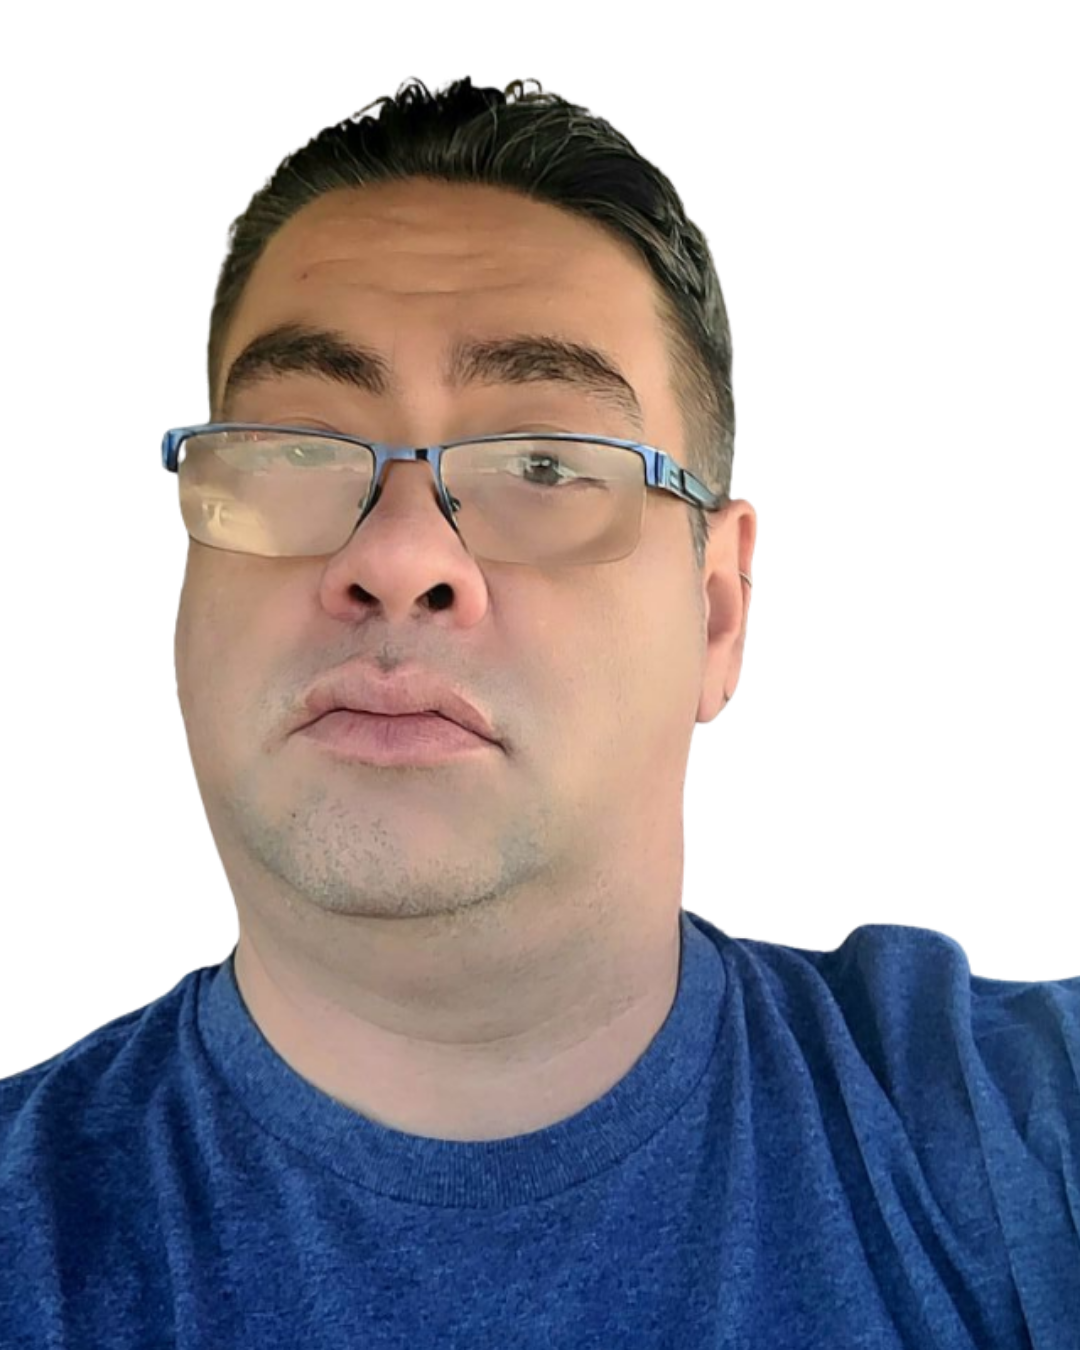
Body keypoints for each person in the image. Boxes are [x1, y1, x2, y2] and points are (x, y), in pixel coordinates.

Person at [2, 77, 1076, 1350]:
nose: (398, 557)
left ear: (719, 614)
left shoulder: (1020, 1125)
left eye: (547, 464)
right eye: (294, 447)